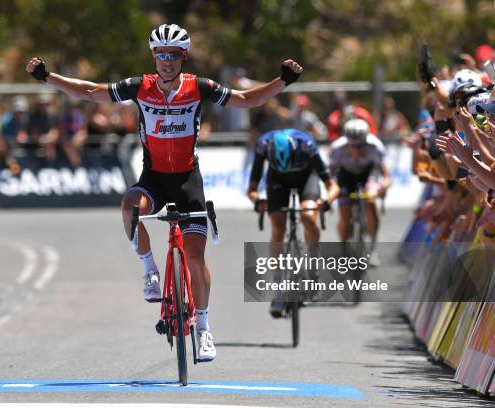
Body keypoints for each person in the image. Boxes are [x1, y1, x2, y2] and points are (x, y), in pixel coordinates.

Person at [26, 23, 304, 362]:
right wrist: (47, 76)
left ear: (183, 57)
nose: (166, 61)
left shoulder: (199, 86)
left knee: (195, 256)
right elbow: (87, 91)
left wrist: (283, 81)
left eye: (173, 55)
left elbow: (246, 100)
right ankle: (150, 271)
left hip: (188, 179)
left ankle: (203, 329)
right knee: (129, 207)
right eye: (160, 55)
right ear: (154, 56)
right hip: (154, 177)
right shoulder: (139, 86)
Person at [246, 128, 339, 316]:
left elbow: (332, 185)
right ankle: (279, 291)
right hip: (277, 180)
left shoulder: (308, 146)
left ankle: (313, 261)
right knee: (278, 227)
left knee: (308, 215)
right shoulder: (263, 145)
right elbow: (252, 189)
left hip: (307, 177)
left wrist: (327, 200)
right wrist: (257, 201)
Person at [329, 119, 392, 266]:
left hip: (367, 174)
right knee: (345, 213)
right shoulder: (337, 148)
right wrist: (333, 192)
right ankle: (343, 251)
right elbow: (330, 175)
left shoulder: (375, 146)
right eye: (353, 146)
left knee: (370, 202)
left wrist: (383, 187)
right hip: (346, 175)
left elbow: (386, 175)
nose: (357, 150)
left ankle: (373, 250)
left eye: (361, 146)